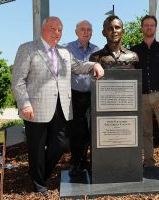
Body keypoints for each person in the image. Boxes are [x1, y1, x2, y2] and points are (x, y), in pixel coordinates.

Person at [11, 16, 104, 195]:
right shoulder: (27, 48)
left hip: (61, 107)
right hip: (35, 109)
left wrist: (94, 64)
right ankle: (39, 184)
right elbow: (18, 80)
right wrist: (24, 104)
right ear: (43, 29)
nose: (57, 33)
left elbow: (78, 67)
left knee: (62, 143)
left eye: (60, 29)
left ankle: (38, 173)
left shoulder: (64, 52)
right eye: (53, 28)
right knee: (36, 148)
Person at [131, 15, 159, 176]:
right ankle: (149, 164)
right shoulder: (134, 50)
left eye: (152, 25)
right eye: (146, 25)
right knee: (146, 133)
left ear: (155, 28)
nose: (149, 27)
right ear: (142, 28)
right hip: (141, 98)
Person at [66, 20, 99, 176]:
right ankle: (76, 162)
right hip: (75, 95)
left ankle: (86, 161)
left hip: (92, 95)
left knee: (92, 130)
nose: (86, 32)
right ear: (76, 32)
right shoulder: (68, 49)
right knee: (78, 131)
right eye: (83, 29)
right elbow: (76, 67)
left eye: (89, 30)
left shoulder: (97, 50)